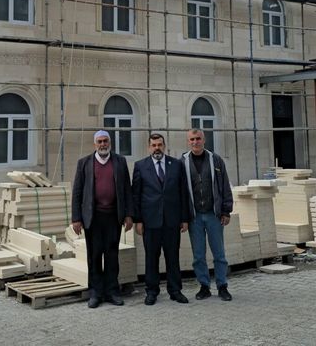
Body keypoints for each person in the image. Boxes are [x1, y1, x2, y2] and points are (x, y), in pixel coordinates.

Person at [72, 130, 134, 309]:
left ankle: (112, 291)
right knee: (94, 255)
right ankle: (95, 293)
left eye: (105, 141)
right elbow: (77, 192)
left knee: (112, 255)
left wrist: (129, 215)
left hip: (114, 216)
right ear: (94, 144)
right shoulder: (84, 163)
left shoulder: (120, 162)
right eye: (99, 141)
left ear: (110, 142)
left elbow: (127, 190)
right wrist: (76, 218)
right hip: (93, 217)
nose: (103, 144)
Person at [132, 132, 190, 305]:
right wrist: (138, 220)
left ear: (164, 145)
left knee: (172, 257)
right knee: (151, 257)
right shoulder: (140, 166)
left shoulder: (176, 165)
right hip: (150, 222)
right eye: (154, 145)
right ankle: (151, 291)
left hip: (172, 221)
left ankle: (175, 290)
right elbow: (136, 195)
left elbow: (183, 193)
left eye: (160, 144)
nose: (157, 148)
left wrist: (184, 218)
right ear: (149, 147)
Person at [181, 128, 234, 302]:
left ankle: (222, 286)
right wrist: (183, 217)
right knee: (198, 255)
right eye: (192, 139)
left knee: (219, 253)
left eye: (198, 139)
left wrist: (226, 210)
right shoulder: (183, 162)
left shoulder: (216, 160)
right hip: (194, 216)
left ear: (204, 140)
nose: (195, 142)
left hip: (213, 214)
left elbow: (225, 186)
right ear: (188, 142)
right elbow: (179, 192)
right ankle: (204, 286)